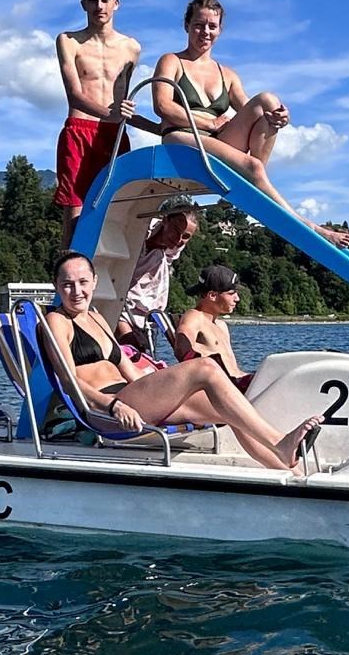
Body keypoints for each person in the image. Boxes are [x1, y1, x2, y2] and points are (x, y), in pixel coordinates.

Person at [46, 252, 320, 475]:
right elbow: (69, 381)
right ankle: (280, 443)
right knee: (206, 368)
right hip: (105, 408)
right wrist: (114, 406)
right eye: (68, 284)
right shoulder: (56, 321)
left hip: (132, 396)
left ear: (94, 281)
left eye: (83, 282)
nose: (77, 291)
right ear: (57, 286)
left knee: (226, 408)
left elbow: (129, 371)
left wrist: (165, 385)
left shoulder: (96, 318)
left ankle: (291, 473)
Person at [152, 0, 349, 248]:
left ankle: (254, 185)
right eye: (198, 25)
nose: (205, 32)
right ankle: (310, 226)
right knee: (254, 167)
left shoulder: (227, 74)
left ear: (220, 30)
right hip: (182, 136)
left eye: (212, 26)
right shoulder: (172, 61)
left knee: (268, 102)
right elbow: (162, 106)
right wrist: (208, 124)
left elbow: (252, 109)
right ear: (187, 26)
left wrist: (281, 117)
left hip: (216, 141)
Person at [54, 0, 140, 248]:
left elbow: (124, 104)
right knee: (74, 212)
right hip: (79, 130)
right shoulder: (69, 41)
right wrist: (110, 113)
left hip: (114, 136)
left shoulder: (132, 48)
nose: (99, 6)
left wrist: (158, 127)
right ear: (83, 4)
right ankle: (68, 265)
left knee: (115, 211)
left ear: (116, 3)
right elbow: (74, 95)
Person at [115, 194, 199, 352]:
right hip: (122, 298)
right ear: (165, 220)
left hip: (148, 307)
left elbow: (167, 260)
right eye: (175, 230)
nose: (178, 239)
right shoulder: (141, 230)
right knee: (131, 344)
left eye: (186, 236)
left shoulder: (176, 247)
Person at [175, 264, 254, 392]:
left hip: (238, 384)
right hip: (222, 389)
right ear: (212, 295)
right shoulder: (195, 317)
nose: (237, 299)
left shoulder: (222, 325)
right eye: (231, 293)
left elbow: (234, 370)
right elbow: (182, 348)